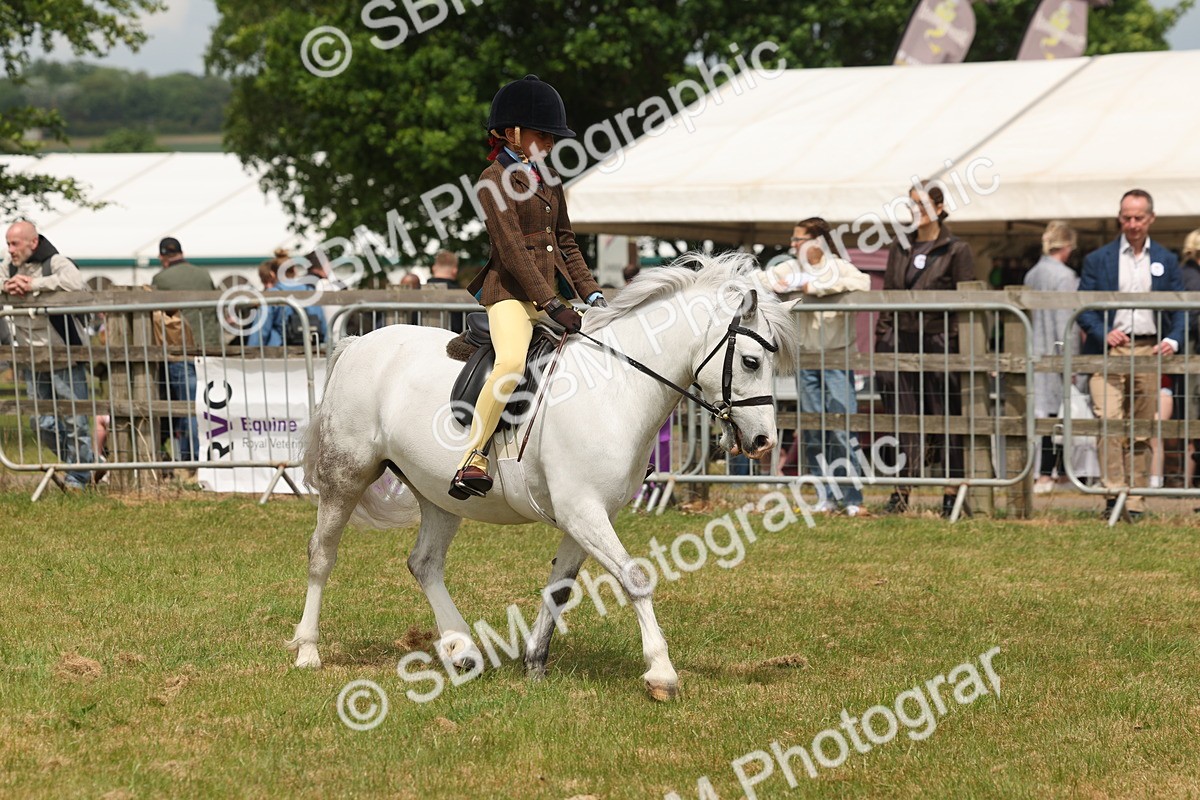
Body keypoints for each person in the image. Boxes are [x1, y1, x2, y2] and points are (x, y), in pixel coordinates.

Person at [452, 74, 605, 499]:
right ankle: (473, 457)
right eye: (544, 134)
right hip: (509, 297)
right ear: (512, 133)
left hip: (548, 297)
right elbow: (514, 251)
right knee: (512, 365)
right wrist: (553, 302)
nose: (551, 143)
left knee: (600, 354)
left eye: (553, 137)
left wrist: (592, 293)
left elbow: (566, 243)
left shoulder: (551, 181)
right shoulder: (491, 180)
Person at [1077, 189, 1184, 520]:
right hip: (1109, 351)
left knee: (1140, 428)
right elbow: (1084, 307)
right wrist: (1102, 331)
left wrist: (1173, 340)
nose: (1133, 223)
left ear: (1151, 218)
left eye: (1139, 217)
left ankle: (1135, 500)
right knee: (1109, 422)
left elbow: (1182, 307)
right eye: (1127, 217)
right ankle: (1113, 495)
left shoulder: (1166, 260)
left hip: (1149, 347)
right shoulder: (1098, 259)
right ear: (1119, 218)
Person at [873, 181, 976, 518]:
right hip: (901, 343)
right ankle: (901, 492)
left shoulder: (956, 249)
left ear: (939, 208)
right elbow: (889, 297)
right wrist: (883, 343)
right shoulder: (899, 247)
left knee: (946, 419)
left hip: (940, 342)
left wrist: (959, 348)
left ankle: (952, 496)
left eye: (921, 205)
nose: (915, 211)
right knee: (903, 421)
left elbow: (967, 303)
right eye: (911, 204)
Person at [760, 217, 871, 515]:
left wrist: (815, 286)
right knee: (813, 431)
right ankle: (826, 496)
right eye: (794, 239)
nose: (794, 245)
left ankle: (852, 498)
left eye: (799, 239)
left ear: (817, 241)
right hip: (806, 359)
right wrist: (781, 283)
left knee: (842, 429)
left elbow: (863, 283)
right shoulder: (791, 268)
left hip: (837, 359)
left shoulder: (840, 267)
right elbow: (761, 279)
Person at [3, 220, 95, 488]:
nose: (10, 250)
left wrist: (32, 284)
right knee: (41, 423)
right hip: (31, 360)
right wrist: (9, 286)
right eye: (8, 244)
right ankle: (83, 463)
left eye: (15, 243)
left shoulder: (56, 261)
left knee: (74, 419)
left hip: (65, 356)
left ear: (33, 242)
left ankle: (79, 476)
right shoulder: (7, 267)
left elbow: (75, 281)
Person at [150, 237, 223, 466]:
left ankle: (190, 461)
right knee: (211, 404)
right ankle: (213, 456)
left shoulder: (160, 279)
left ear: (163, 257)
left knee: (189, 407)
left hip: (180, 349)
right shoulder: (204, 275)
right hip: (210, 349)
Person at [1025, 221, 1080, 494]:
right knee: (1057, 414)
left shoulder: (1032, 274)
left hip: (1034, 348)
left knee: (1042, 414)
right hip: (1054, 350)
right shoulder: (1065, 277)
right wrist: (1067, 357)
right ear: (1067, 246)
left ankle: (1044, 471)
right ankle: (1050, 472)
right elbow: (1064, 322)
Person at [1179, 229, 1200, 490]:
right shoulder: (1191, 277)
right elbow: (1194, 319)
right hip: (1193, 357)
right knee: (1194, 419)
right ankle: (1189, 485)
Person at [426, 249, 465, 333]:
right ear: (455, 270)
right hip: (452, 342)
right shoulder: (464, 297)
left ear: (433, 268)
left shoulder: (417, 293)